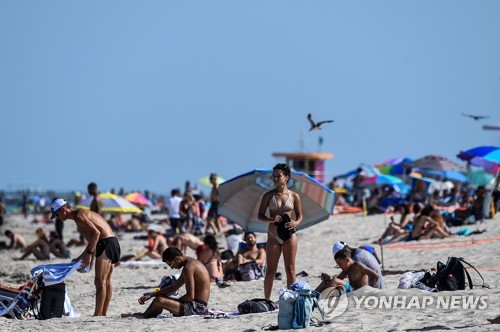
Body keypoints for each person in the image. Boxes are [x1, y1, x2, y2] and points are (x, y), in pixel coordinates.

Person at [51, 198, 121, 316]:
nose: (57, 217)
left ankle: (97, 315)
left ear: (63, 209)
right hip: (109, 242)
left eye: (57, 214)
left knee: (100, 281)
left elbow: (96, 234)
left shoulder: (79, 216)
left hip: (106, 243)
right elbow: (92, 241)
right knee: (106, 282)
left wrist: (88, 255)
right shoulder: (78, 217)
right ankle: (102, 314)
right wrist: (80, 257)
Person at [121, 247, 210, 318]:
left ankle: (144, 316)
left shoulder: (188, 268)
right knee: (160, 297)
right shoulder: (190, 264)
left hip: (197, 308)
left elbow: (190, 296)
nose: (172, 268)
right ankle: (145, 315)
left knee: (160, 301)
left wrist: (170, 301)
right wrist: (152, 294)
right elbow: (174, 287)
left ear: (177, 259)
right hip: (194, 305)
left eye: (171, 264)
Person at [258, 163, 302, 299]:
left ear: (287, 177)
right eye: (274, 176)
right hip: (273, 235)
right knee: (271, 270)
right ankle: (267, 300)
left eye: (279, 176)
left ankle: (292, 298)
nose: (275, 179)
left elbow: (300, 216)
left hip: (289, 235)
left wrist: (295, 222)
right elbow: (260, 215)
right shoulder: (268, 196)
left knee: (290, 269)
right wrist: (271, 219)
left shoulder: (294, 196)